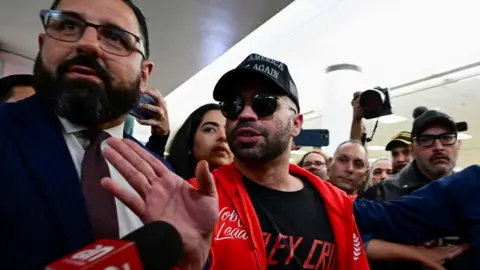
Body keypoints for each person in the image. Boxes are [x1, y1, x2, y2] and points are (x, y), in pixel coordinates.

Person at [102, 53, 370, 269]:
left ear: (296, 124)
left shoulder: (336, 204)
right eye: (233, 105)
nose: (245, 114)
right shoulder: (192, 199)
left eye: (264, 104)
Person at [0, 0, 173, 268]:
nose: (89, 44)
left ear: (143, 76)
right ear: (42, 45)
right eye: (69, 26)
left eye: (116, 37)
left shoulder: (162, 175)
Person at [360, 107, 468, 269]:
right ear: (414, 149)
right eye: (426, 139)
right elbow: (354, 242)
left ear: (458, 144)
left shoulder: (470, 191)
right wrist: (414, 253)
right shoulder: (383, 193)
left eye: (446, 138)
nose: (438, 146)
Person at [167, 103, 233, 179]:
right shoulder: (166, 185)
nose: (223, 136)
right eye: (209, 129)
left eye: (229, 131)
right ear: (190, 141)